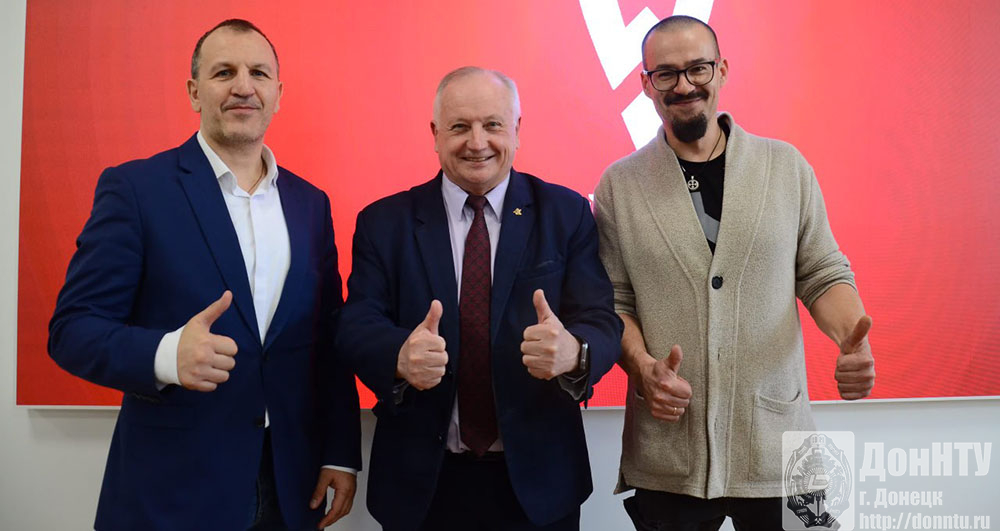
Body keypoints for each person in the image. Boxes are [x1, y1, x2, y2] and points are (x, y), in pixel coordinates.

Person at [47, 19, 360, 531]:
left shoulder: (310, 203)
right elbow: (72, 330)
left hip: (290, 484)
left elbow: (328, 338)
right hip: (172, 491)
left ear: (278, 94)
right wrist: (166, 355)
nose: (243, 86)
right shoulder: (136, 189)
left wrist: (340, 452)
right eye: (224, 72)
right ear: (195, 92)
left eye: (258, 73)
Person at [594, 15, 877, 530]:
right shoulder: (620, 186)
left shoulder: (785, 167)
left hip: (777, 446)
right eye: (666, 74)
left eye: (698, 68)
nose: (684, 85)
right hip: (668, 454)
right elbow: (615, 302)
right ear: (646, 84)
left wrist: (850, 342)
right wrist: (641, 367)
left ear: (721, 70)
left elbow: (821, 271)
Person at [337, 66, 623, 531]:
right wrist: (398, 355)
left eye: (492, 124)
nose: (477, 142)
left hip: (541, 485)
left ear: (516, 130)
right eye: (459, 126)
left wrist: (575, 351)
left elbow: (601, 318)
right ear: (435, 134)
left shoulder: (566, 212)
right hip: (421, 487)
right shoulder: (384, 222)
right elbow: (356, 325)